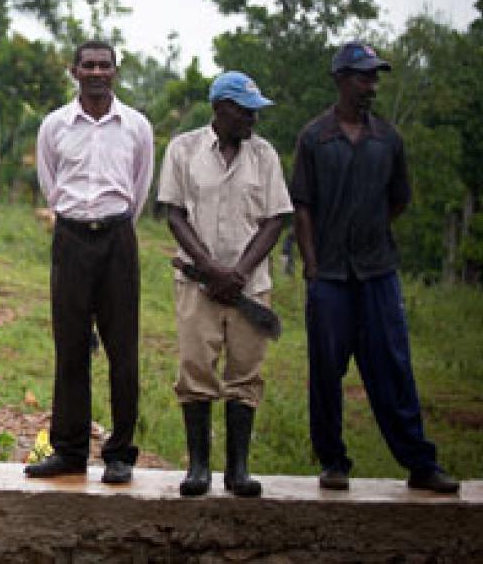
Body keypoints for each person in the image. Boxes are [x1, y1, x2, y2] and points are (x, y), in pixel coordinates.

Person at [293, 42, 458, 494]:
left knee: (392, 367)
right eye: (364, 77)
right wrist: (310, 266)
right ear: (341, 79)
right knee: (326, 372)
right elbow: (302, 206)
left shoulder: (388, 139)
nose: (372, 86)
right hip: (328, 275)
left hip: (377, 272)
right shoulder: (314, 138)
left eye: (375, 77)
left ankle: (421, 464)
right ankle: (333, 462)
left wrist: (368, 232)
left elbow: (398, 199)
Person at [158, 71, 292, 497]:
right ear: (220, 109)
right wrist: (210, 268)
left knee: (245, 373)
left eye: (255, 112)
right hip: (198, 284)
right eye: (245, 111)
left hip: (250, 287)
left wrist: (240, 273)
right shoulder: (184, 149)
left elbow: (276, 218)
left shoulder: (264, 155)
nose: (253, 119)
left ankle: (238, 469)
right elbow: (174, 213)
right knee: (196, 367)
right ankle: (199, 467)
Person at [26, 40, 154, 484]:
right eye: (89, 65)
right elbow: (50, 183)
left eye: (105, 65)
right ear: (74, 72)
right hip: (71, 240)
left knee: (123, 350)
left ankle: (119, 453)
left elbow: (139, 188)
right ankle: (69, 451)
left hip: (118, 239)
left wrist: (112, 223)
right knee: (71, 347)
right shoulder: (55, 126)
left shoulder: (136, 126)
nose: (97, 72)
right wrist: (78, 222)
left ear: (115, 71)